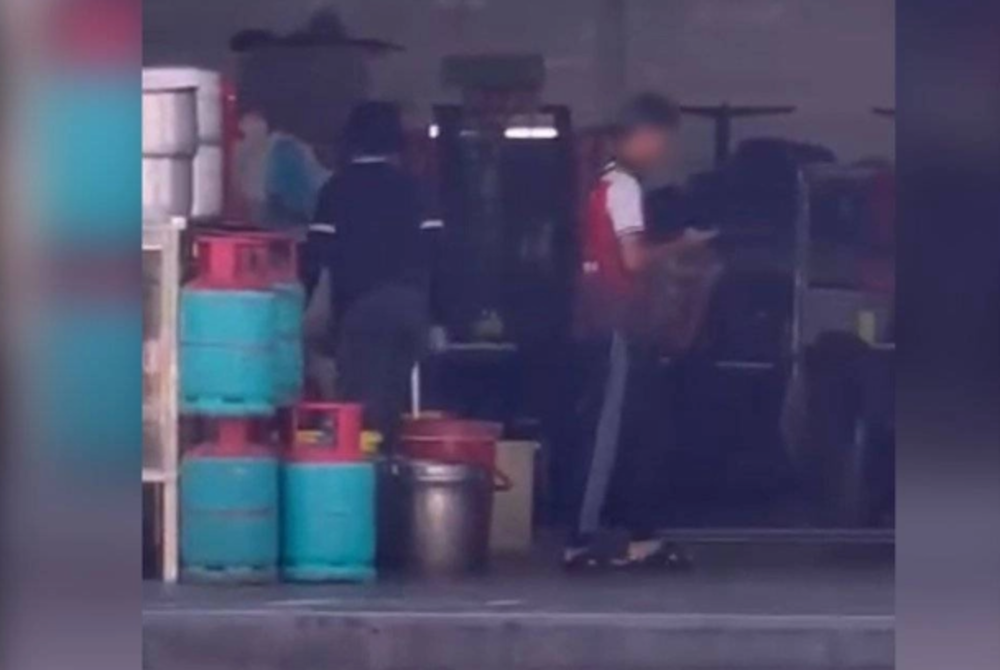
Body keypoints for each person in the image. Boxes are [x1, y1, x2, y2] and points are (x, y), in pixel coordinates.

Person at [566, 93, 717, 570]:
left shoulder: (601, 185)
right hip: (615, 322)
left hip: (609, 320)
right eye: (662, 141)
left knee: (641, 428)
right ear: (645, 136)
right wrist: (681, 246)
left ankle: (641, 533)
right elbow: (632, 259)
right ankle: (582, 537)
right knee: (609, 429)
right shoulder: (624, 188)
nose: (663, 151)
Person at [311, 101, 430, 450]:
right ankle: (399, 475)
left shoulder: (336, 190)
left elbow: (315, 258)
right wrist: (441, 318)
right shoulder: (415, 188)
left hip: (361, 311)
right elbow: (438, 253)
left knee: (362, 409)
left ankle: (368, 486)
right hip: (412, 309)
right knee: (400, 402)